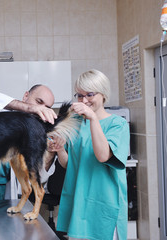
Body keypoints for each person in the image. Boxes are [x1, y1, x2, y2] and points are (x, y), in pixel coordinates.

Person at [52, 69, 130, 240]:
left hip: (104, 203)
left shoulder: (118, 125)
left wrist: (93, 118)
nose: (84, 100)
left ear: (103, 94)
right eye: (79, 96)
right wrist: (59, 149)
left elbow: (103, 156)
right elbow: (68, 164)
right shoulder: (77, 123)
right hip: (79, 202)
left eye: (89, 94)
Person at [0, 85, 58, 200]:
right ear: (26, 96)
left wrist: (51, 153)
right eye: (38, 102)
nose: (41, 109)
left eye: (47, 107)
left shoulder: (34, 135)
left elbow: (36, 179)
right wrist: (29, 108)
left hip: (1, 202)